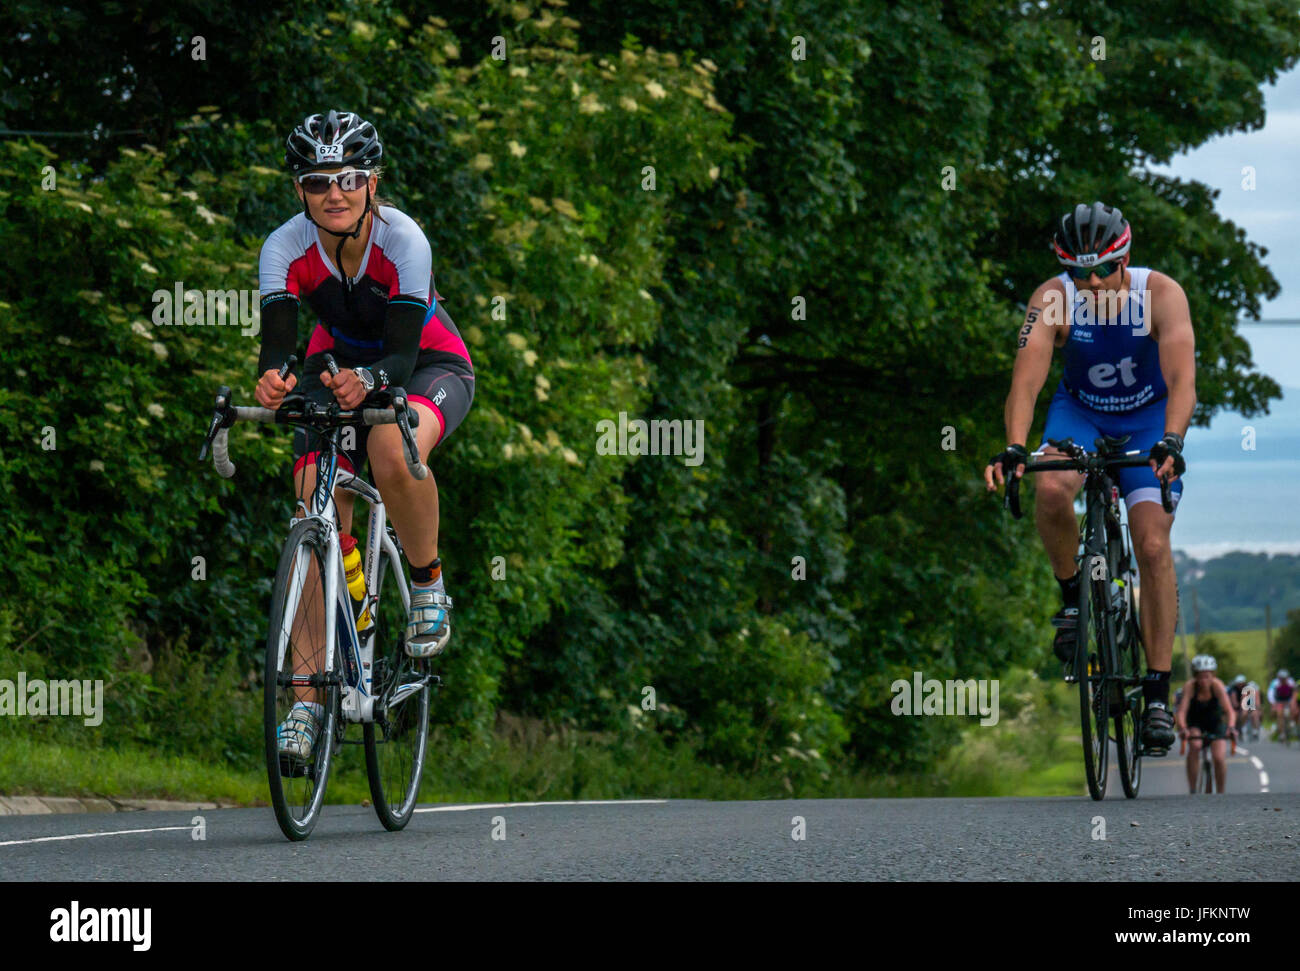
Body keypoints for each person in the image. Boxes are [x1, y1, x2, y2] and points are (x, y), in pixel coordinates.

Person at [256, 110, 476, 760]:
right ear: (300, 188)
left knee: (388, 443)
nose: (335, 192)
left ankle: (428, 582)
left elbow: (402, 359)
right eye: (319, 179)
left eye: (349, 177)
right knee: (310, 502)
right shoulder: (283, 247)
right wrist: (274, 379)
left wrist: (370, 379)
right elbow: (280, 347)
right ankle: (306, 699)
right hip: (336, 366)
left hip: (428, 364)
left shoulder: (404, 239)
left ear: (372, 181)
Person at [984, 202, 1196, 755]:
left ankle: (1155, 693)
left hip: (1148, 420)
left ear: (1125, 258)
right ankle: (1075, 597)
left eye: (1103, 269)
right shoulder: (1052, 298)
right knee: (1050, 487)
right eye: (1080, 273)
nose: (1093, 282)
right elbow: (1027, 377)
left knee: (1152, 543)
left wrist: (1172, 439)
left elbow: (1181, 377)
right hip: (1080, 412)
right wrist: (1014, 446)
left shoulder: (1160, 294)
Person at [1175, 654, 1234, 793]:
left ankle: (1221, 791)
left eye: (1207, 676)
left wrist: (1231, 728)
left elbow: (1230, 711)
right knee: (1195, 746)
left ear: (1213, 675)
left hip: (1215, 722)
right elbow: (1182, 711)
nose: (1204, 680)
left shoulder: (1217, 686)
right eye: (1200, 676)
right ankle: (1193, 789)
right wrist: (1183, 728)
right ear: (1195, 676)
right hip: (1195, 723)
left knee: (1219, 757)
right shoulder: (1190, 687)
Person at [1267, 668, 1296, 740]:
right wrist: (1273, 703)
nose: (1283, 680)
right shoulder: (1275, 683)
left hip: (1288, 700)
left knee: (1293, 708)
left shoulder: (1291, 682)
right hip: (1279, 701)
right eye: (1281, 678)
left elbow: (1294, 693)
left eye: (1284, 678)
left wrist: (1293, 701)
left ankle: (1291, 722)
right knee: (1279, 715)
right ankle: (1281, 733)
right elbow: (1270, 694)